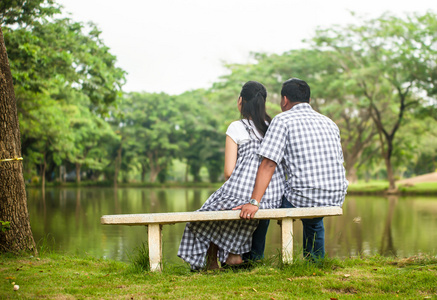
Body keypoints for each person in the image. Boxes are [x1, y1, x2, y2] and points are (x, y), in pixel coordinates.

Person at [236, 78, 348, 261]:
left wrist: (254, 202)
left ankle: (253, 259)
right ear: (308, 101)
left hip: (303, 196)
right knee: (314, 213)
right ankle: (315, 261)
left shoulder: (283, 120)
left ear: (284, 100)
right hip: (335, 195)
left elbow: (269, 163)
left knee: (266, 204)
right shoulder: (329, 123)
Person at [178, 81, 285, 270]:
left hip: (246, 193)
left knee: (209, 212)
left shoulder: (236, 127)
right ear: (263, 104)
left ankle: (213, 262)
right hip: (270, 195)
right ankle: (234, 255)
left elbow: (228, 172)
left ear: (240, 102)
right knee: (225, 209)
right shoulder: (273, 127)